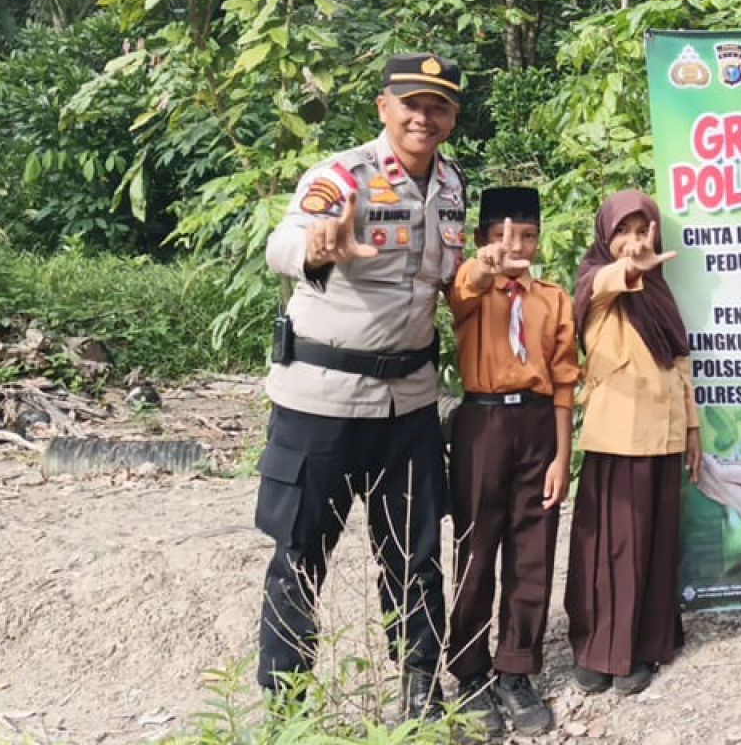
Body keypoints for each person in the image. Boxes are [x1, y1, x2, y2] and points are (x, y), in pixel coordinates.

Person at [255, 53, 467, 718]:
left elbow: (449, 281)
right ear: (384, 107)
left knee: (416, 554)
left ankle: (420, 692)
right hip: (323, 400)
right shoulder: (343, 175)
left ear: (452, 117)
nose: (423, 117)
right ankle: (287, 707)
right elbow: (284, 242)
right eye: (411, 103)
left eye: (438, 106)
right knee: (300, 554)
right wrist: (317, 248)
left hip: (410, 404)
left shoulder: (453, 185)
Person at [444, 187, 577, 736]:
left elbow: (565, 379)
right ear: (482, 238)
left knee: (533, 550)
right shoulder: (472, 287)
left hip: (538, 425)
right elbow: (464, 288)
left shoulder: (553, 298)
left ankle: (516, 669)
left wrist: (562, 456)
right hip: (483, 424)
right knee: (476, 548)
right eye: (502, 235)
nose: (515, 246)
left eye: (526, 236)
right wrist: (485, 265)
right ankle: (470, 672)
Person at [564, 191, 696, 697]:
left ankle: (642, 645)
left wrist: (692, 429)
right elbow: (600, 286)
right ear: (605, 235)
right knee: (610, 546)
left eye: (644, 232)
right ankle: (599, 649)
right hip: (617, 436)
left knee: (654, 545)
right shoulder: (596, 280)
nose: (635, 242)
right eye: (624, 232)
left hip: (664, 434)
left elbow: (680, 364)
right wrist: (628, 269)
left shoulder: (661, 294)